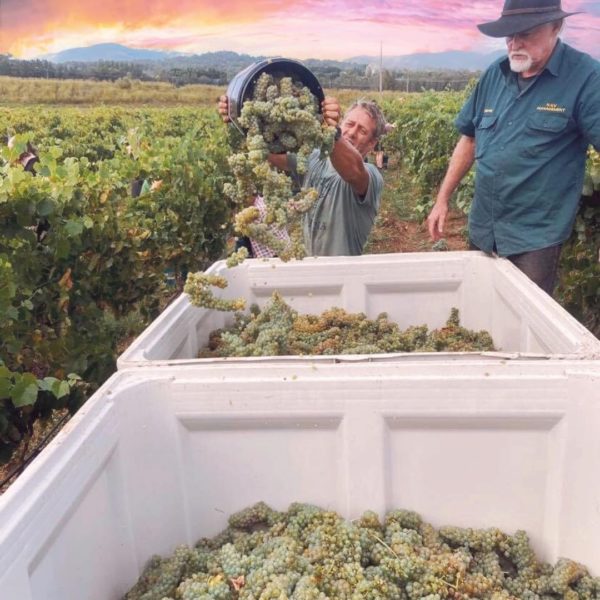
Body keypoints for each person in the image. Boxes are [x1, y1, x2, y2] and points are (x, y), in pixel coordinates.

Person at [426, 0, 600, 296]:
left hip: (535, 239)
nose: (515, 43)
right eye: (509, 34)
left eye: (526, 33)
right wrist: (442, 199)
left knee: (521, 316)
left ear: (556, 27)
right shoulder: (495, 74)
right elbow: (469, 139)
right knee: (478, 305)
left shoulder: (586, 77)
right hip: (484, 228)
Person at [219, 95, 386, 256]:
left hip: (341, 272)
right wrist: (239, 117)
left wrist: (331, 131)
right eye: (349, 124)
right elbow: (266, 152)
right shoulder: (314, 158)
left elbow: (353, 170)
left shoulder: (371, 177)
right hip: (308, 267)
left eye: (362, 131)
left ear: (372, 143)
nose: (352, 132)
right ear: (342, 122)